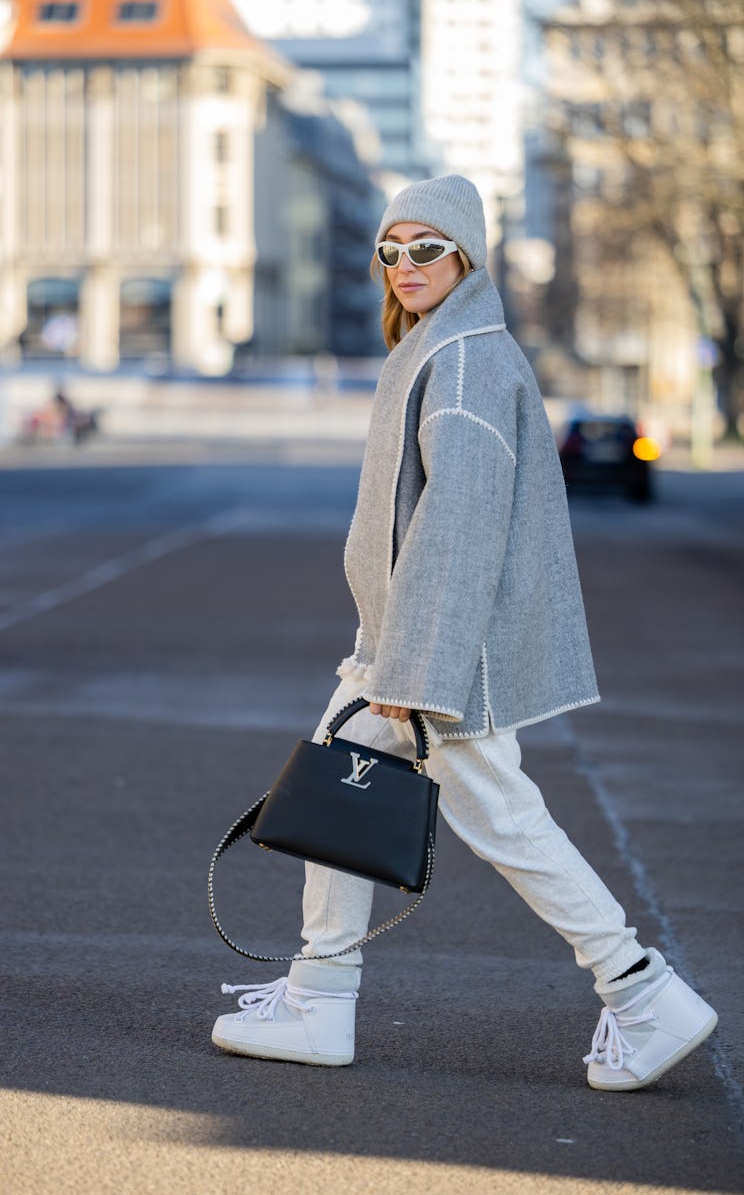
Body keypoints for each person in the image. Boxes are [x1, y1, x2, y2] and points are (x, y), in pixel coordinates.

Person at [212, 175, 717, 1090]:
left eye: (428, 249)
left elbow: (461, 523)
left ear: (467, 256)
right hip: (403, 643)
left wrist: (417, 666)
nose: (406, 267)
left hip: (438, 655)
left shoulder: (470, 358)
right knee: (336, 796)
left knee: (507, 824)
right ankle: (319, 994)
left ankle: (642, 991)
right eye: (391, 252)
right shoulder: (440, 348)